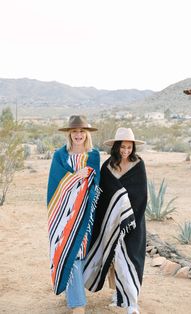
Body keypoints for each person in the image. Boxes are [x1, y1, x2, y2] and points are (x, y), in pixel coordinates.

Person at [84, 127, 147, 314]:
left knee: (130, 260)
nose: (126, 151)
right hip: (110, 223)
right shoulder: (108, 166)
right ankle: (119, 295)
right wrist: (113, 212)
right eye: (123, 147)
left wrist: (125, 214)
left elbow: (141, 195)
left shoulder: (138, 165)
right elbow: (102, 195)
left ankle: (132, 303)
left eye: (129, 147)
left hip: (132, 223)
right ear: (116, 147)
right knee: (114, 260)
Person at [47, 115, 100, 314]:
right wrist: (75, 177)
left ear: (86, 134)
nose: (78, 135)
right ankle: (78, 304)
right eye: (75, 131)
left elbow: (96, 184)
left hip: (85, 214)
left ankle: (73, 295)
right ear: (69, 134)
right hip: (62, 215)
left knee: (78, 252)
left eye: (81, 132)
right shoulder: (60, 155)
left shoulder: (93, 155)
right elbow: (54, 184)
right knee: (67, 252)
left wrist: (90, 176)